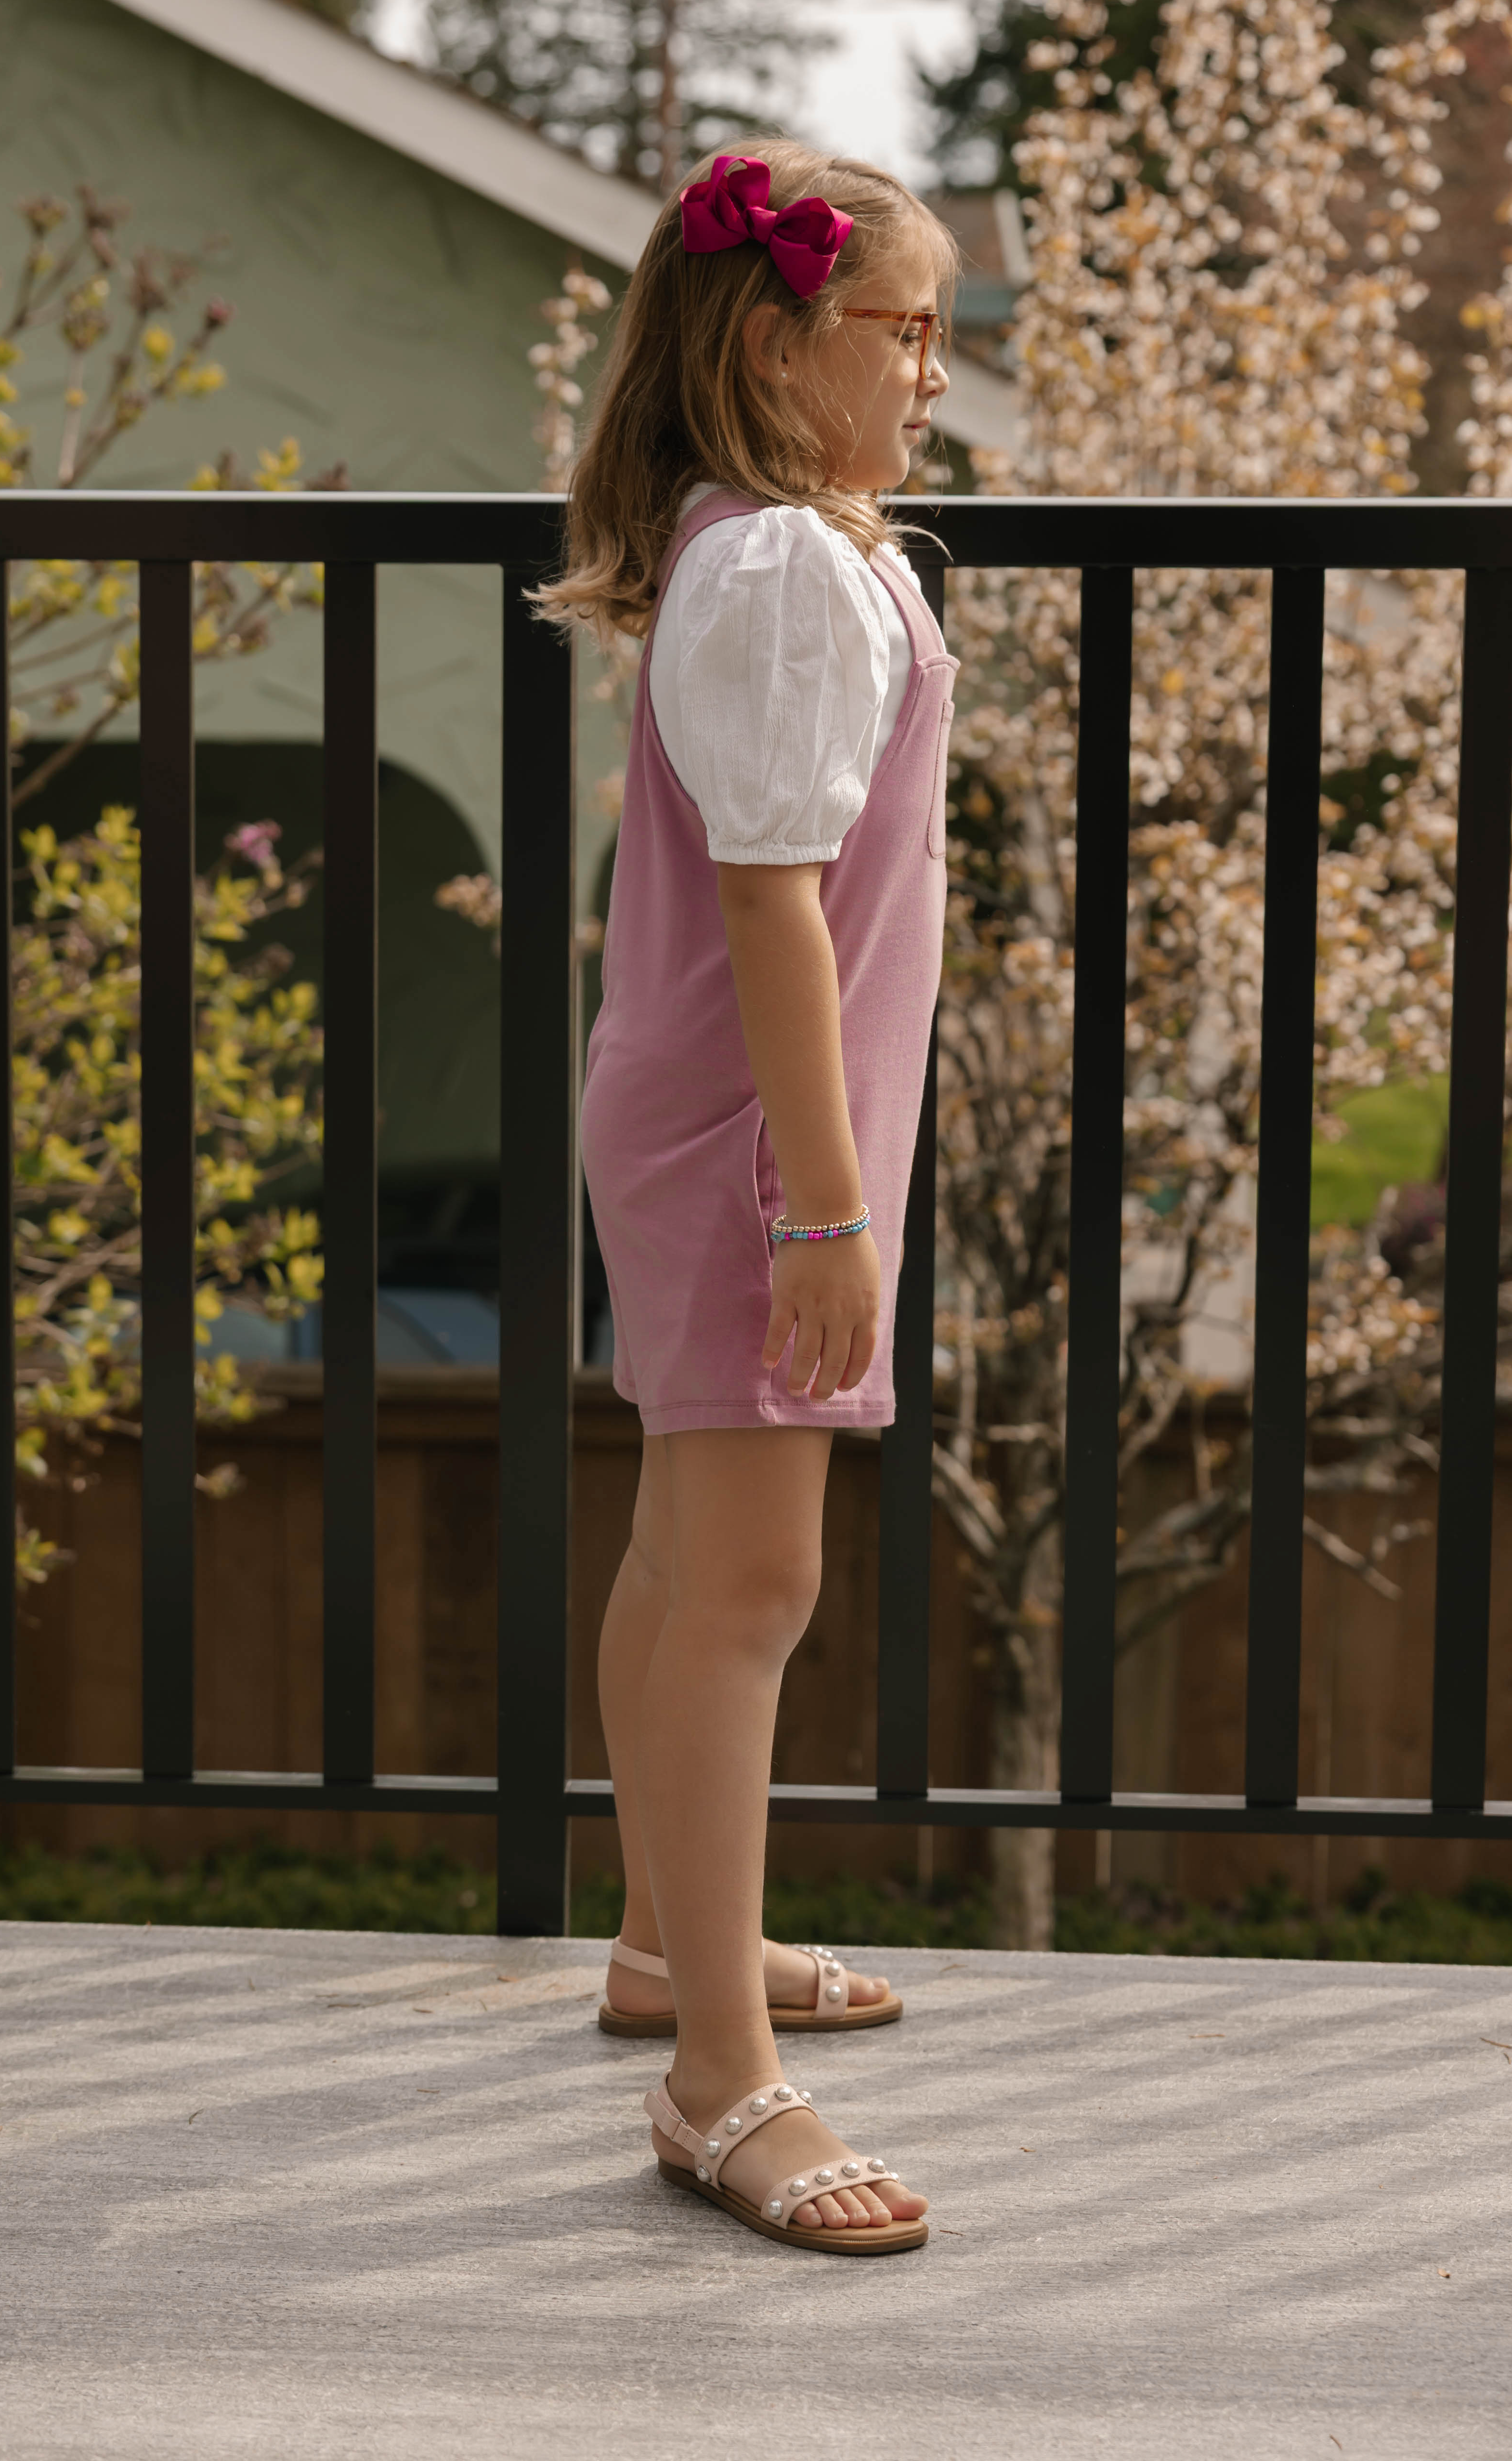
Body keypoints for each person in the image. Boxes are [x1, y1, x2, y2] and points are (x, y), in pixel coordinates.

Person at [539, 142, 957, 2257]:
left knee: (677, 1556)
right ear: (787, 349)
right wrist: (824, 1213)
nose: (934, 373)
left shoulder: (773, 544)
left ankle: (663, 1944)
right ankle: (719, 2076)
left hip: (718, 1121)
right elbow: (777, 906)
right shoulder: (782, 566)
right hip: (754, 1147)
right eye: (909, 332)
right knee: (749, 1591)